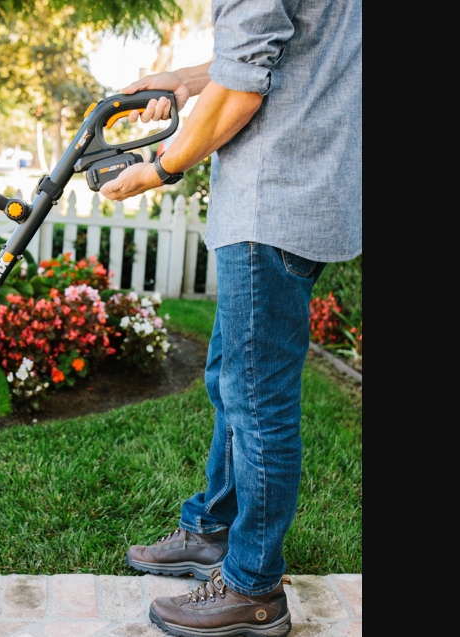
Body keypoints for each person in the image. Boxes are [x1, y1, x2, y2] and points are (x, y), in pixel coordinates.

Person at [102, 1, 361, 635]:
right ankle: (213, 529)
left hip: (271, 199)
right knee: (230, 380)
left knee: (258, 401)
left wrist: (159, 169)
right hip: (304, 191)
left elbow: (243, 88)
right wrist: (183, 82)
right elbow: (278, 54)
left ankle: (253, 587)